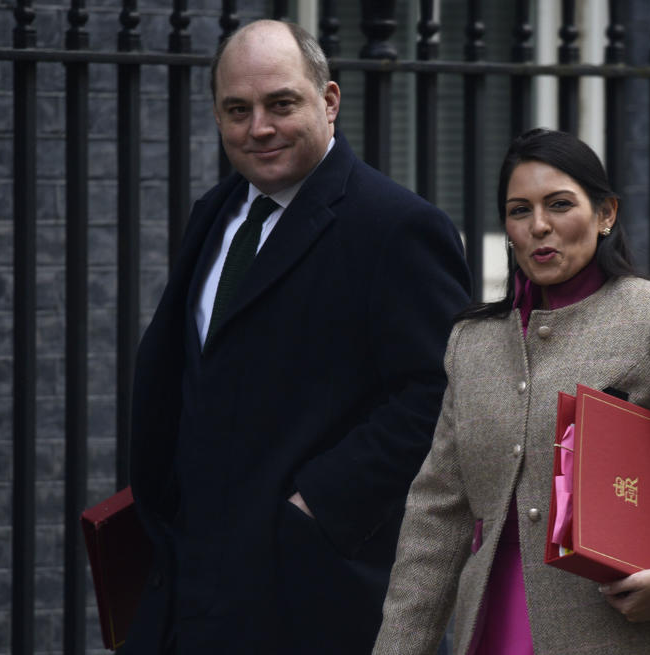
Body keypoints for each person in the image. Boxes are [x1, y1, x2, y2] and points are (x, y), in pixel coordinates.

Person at [124, 19, 471, 655]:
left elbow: (440, 394)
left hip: (313, 593)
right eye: (238, 109)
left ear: (329, 101)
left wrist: (316, 504)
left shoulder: (397, 227)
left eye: (281, 103)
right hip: (190, 582)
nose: (259, 127)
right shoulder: (215, 213)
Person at [373, 128, 650, 654]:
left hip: (633, 635)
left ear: (605, 214)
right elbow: (438, 517)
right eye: (520, 211)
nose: (539, 226)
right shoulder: (472, 345)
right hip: (498, 627)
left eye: (559, 204)